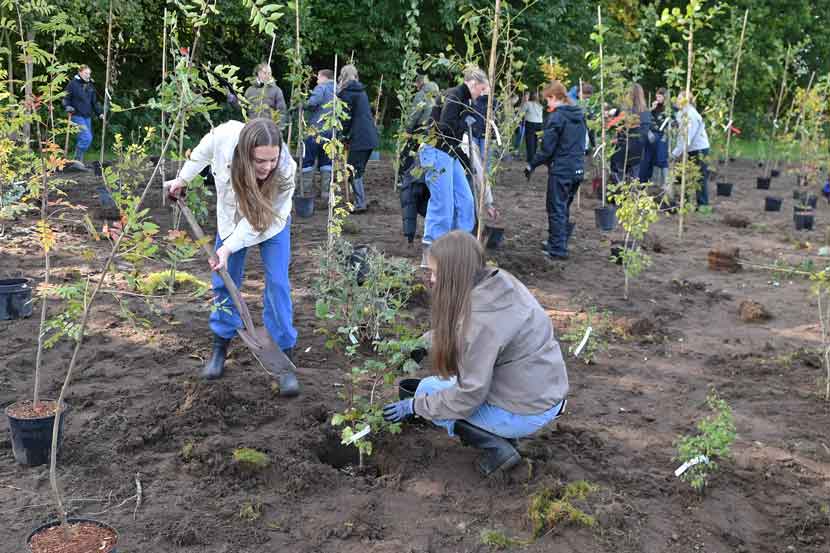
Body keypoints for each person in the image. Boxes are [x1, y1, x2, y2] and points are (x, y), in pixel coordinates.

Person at [383, 231, 568, 476]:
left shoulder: (480, 325)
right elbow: (462, 327)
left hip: (527, 409)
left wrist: (414, 407)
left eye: (435, 272)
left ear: (453, 275)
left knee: (429, 390)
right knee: (441, 391)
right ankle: (503, 431)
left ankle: (499, 448)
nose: (432, 279)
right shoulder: (500, 282)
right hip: (545, 392)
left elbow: (469, 395)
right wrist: (423, 343)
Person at [164, 118, 299, 395]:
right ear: (246, 151)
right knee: (224, 282)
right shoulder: (224, 136)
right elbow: (201, 153)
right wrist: (182, 179)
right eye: (260, 160)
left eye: (271, 160)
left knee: (278, 284)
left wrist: (227, 247)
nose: (267, 167)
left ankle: (284, 359)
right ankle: (219, 347)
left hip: (270, 224)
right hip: (230, 220)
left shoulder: (285, 170)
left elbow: (258, 222)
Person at [417, 66, 488, 265]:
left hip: (450, 154)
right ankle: (431, 254)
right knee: (443, 205)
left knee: (465, 200)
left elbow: (455, 138)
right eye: (481, 90)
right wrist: (466, 123)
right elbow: (446, 128)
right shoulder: (455, 96)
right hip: (436, 151)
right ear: (473, 84)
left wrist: (466, 162)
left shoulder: (465, 100)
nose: (481, 95)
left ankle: (460, 248)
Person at [525, 80, 587, 261]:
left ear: (554, 97)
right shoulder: (579, 115)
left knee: (556, 208)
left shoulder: (557, 118)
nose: (547, 105)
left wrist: (532, 164)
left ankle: (558, 249)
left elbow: (547, 149)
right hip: (577, 169)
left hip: (562, 170)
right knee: (563, 208)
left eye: (548, 100)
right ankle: (557, 242)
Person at [337, 64, 379, 213]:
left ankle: (360, 203)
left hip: (359, 138)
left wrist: (343, 134)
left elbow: (346, 118)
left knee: (352, 170)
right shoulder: (361, 92)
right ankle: (359, 201)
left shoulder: (346, 93)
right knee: (357, 170)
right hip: (369, 138)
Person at [301, 69, 335, 200]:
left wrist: (302, 105)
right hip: (331, 131)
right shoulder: (339, 90)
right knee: (326, 162)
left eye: (318, 77)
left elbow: (313, 102)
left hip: (316, 131)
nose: (317, 80)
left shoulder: (322, 88)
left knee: (308, 159)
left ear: (324, 77)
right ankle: (325, 192)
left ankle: (307, 190)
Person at [672, 91, 710, 206]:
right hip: (689, 148)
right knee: (685, 176)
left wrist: (675, 153)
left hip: (699, 149)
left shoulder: (691, 115)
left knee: (699, 177)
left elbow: (686, 138)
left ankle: (703, 204)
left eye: (679, 98)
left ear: (686, 101)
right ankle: (685, 202)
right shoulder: (681, 113)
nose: (677, 101)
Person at [62, 65, 103, 162]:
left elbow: (94, 102)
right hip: (76, 115)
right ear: (80, 73)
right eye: (86, 73)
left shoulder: (90, 85)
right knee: (86, 138)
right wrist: (67, 106)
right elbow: (65, 98)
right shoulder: (72, 84)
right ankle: (77, 159)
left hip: (87, 116)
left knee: (86, 139)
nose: (88, 75)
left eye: (89, 73)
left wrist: (100, 113)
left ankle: (78, 162)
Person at [639, 87, 670, 195]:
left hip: (662, 136)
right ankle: (644, 184)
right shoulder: (653, 108)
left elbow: (673, 123)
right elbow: (646, 120)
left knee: (662, 159)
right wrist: (651, 108)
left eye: (660, 96)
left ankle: (666, 184)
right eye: (656, 96)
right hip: (651, 136)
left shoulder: (669, 109)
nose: (657, 98)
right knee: (647, 159)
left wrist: (666, 134)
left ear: (665, 97)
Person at [244, 63, 288, 129]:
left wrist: (279, 129)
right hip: (252, 128)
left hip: (269, 129)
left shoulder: (276, 90)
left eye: (269, 73)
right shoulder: (249, 90)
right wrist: (233, 100)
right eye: (265, 73)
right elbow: (243, 108)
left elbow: (282, 112)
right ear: (258, 73)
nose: (268, 75)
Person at [521, 92, 544, 164]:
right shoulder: (540, 105)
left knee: (530, 141)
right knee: (536, 140)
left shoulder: (527, 104)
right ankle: (535, 156)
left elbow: (521, 112)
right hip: (539, 124)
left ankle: (531, 158)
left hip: (531, 124)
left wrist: (523, 102)